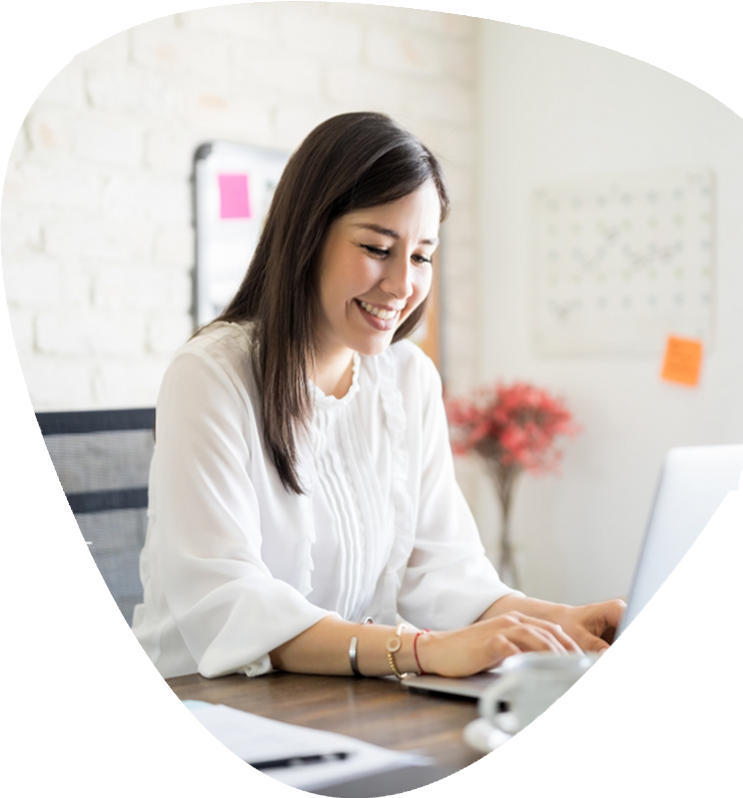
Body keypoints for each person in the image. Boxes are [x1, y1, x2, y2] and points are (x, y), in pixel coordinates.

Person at [132, 112, 625, 680]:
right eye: (376, 247)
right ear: (308, 235)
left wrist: (567, 621)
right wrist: (418, 650)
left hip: (335, 703)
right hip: (208, 704)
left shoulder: (409, 378)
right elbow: (229, 604)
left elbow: (443, 572)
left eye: (421, 256)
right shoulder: (212, 376)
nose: (401, 285)